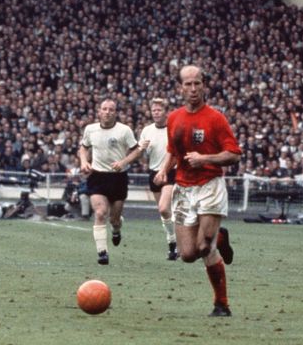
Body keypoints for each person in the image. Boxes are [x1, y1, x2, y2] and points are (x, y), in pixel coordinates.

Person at [154, 65, 242, 317]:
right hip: (183, 188)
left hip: (210, 187)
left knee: (204, 247)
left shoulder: (216, 118)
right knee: (188, 255)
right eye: (188, 84)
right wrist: (163, 170)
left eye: (197, 84)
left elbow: (234, 154)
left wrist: (206, 159)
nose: (193, 89)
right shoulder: (174, 118)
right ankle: (221, 238)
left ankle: (221, 304)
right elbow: (173, 151)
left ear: (204, 85)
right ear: (180, 87)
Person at [78, 98, 145, 265]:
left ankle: (116, 229)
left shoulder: (124, 131)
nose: (107, 112)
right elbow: (83, 147)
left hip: (118, 177)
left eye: (111, 109)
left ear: (115, 113)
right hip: (97, 176)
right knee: (100, 212)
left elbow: (137, 151)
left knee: (114, 219)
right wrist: (84, 162)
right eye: (104, 109)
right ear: (99, 111)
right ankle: (102, 253)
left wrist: (123, 162)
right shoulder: (90, 129)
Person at [139, 98, 178, 261]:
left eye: (159, 110)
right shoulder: (147, 131)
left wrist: (165, 170)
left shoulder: (173, 129)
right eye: (153, 110)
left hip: (171, 172)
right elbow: (141, 156)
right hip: (154, 173)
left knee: (164, 208)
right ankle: (173, 244)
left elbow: (177, 154)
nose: (155, 113)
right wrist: (142, 150)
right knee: (164, 213)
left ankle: (175, 243)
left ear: (166, 112)